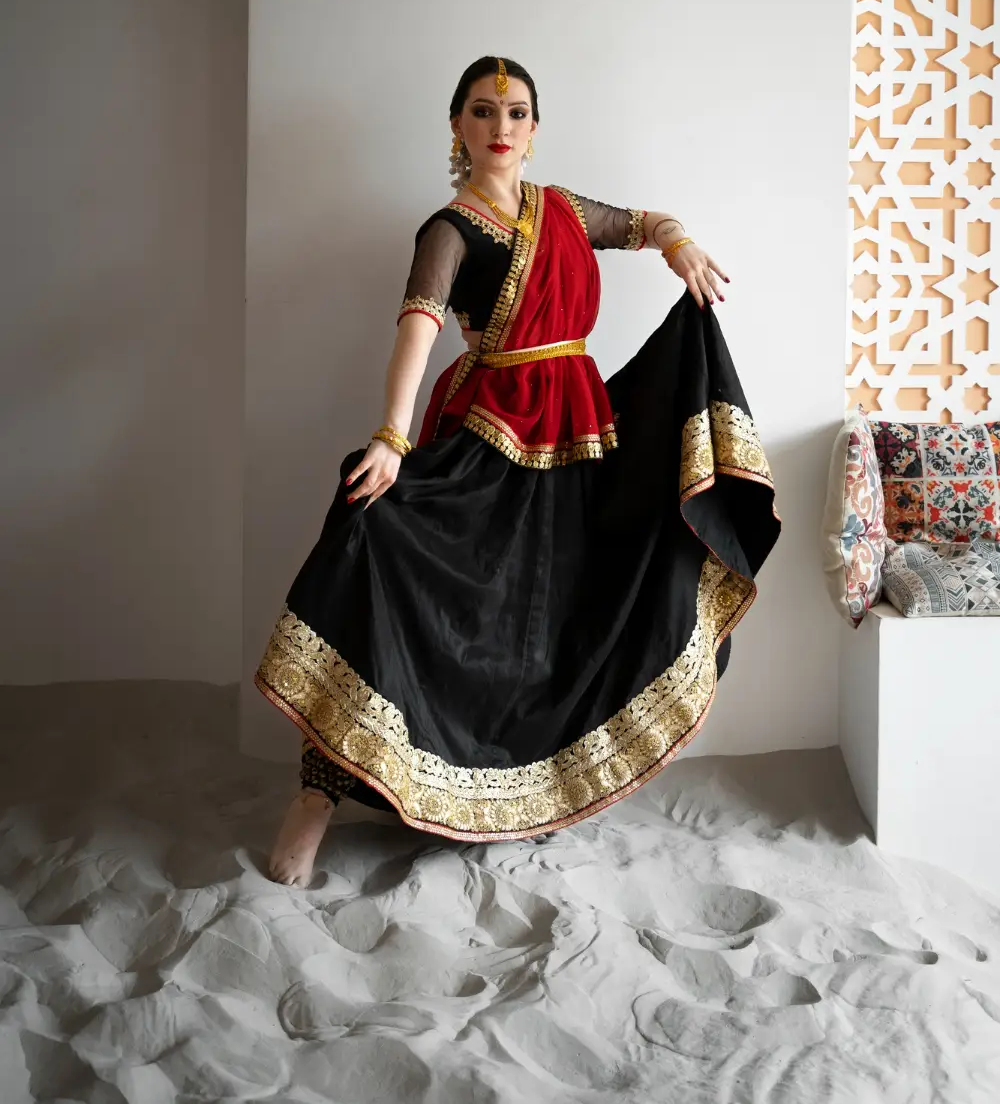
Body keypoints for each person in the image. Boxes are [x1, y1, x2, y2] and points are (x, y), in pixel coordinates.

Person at [256, 56, 780, 886]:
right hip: (491, 429)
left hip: (583, 433)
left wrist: (678, 244)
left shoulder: (562, 210)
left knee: (567, 613)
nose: (500, 126)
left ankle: (535, 793)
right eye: (482, 110)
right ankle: (318, 793)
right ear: (456, 126)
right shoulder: (449, 229)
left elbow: (647, 222)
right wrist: (391, 436)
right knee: (373, 533)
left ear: (534, 129)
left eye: (516, 112)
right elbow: (419, 328)